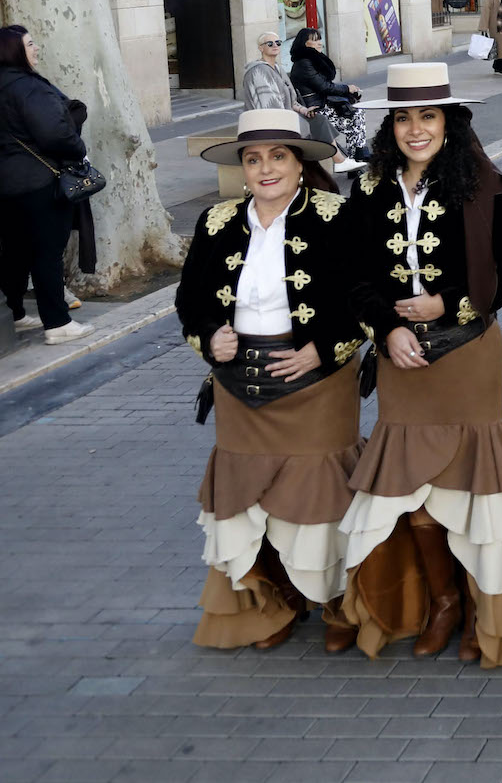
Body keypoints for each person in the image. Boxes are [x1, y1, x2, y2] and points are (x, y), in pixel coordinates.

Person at [337, 64, 502, 669]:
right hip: (402, 359)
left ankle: (483, 605)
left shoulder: (482, 184)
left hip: (468, 352)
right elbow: (354, 276)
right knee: (412, 488)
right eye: (403, 118)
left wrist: (449, 300)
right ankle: (443, 601)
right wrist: (388, 329)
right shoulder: (370, 189)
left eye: (428, 116)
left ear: (449, 121)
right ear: (389, 126)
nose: (415, 129)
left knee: (471, 484)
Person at [179, 110, 362, 653]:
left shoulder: (336, 216)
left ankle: (336, 598)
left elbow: (362, 295)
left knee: (320, 494)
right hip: (238, 386)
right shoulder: (216, 222)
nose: (264, 169)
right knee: (246, 499)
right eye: (253, 159)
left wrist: (322, 350)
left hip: (317, 380)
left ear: (300, 162)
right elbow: (190, 299)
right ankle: (273, 598)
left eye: (277, 156)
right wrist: (210, 337)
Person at [0, 25, 90, 343]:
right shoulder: (29, 88)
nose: (36, 49)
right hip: (37, 181)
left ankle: (13, 313)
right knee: (46, 251)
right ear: (14, 52)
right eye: (30, 44)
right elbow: (56, 135)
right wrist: (78, 148)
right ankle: (58, 324)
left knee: (14, 249)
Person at [289, 28, 369, 162]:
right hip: (316, 111)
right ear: (304, 43)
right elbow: (324, 87)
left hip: (323, 105)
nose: (319, 43)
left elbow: (325, 85)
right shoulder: (304, 63)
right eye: (314, 40)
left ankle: (357, 155)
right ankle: (357, 156)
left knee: (356, 114)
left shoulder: (313, 60)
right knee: (355, 116)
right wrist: (347, 88)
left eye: (319, 39)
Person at [242, 32, 313, 122]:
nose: (275, 45)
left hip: (283, 118)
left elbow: (290, 101)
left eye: (278, 42)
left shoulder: (277, 68)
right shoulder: (258, 71)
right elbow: (271, 106)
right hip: (266, 125)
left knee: (319, 120)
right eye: (270, 44)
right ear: (261, 48)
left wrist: (304, 110)